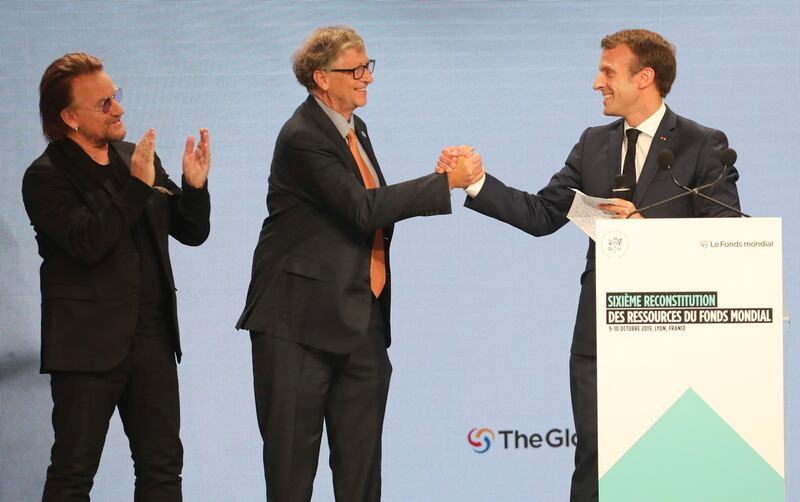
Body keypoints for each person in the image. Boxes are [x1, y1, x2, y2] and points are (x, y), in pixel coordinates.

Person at [438, 29, 741, 502]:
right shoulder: (593, 143)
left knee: (672, 464)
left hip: (675, 330)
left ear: (645, 77)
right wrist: (476, 183)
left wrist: (645, 227)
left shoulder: (702, 145)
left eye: (607, 72)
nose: (596, 82)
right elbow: (542, 215)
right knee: (596, 462)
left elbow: (726, 236)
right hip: (598, 335)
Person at [236, 25, 483, 501]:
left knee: (361, 475)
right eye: (355, 69)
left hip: (358, 320)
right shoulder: (302, 136)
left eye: (368, 66)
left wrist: (436, 177)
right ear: (320, 78)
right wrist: (444, 184)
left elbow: (373, 203)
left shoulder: (353, 128)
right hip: (297, 325)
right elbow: (361, 209)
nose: (366, 77)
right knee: (291, 476)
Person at [22, 52, 211, 501]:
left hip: (152, 340)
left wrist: (196, 187)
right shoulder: (45, 177)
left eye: (116, 96)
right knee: (73, 473)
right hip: (86, 347)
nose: (119, 108)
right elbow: (88, 242)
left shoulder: (136, 158)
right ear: (69, 117)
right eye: (103, 103)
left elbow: (191, 232)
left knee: (162, 470)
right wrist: (136, 188)